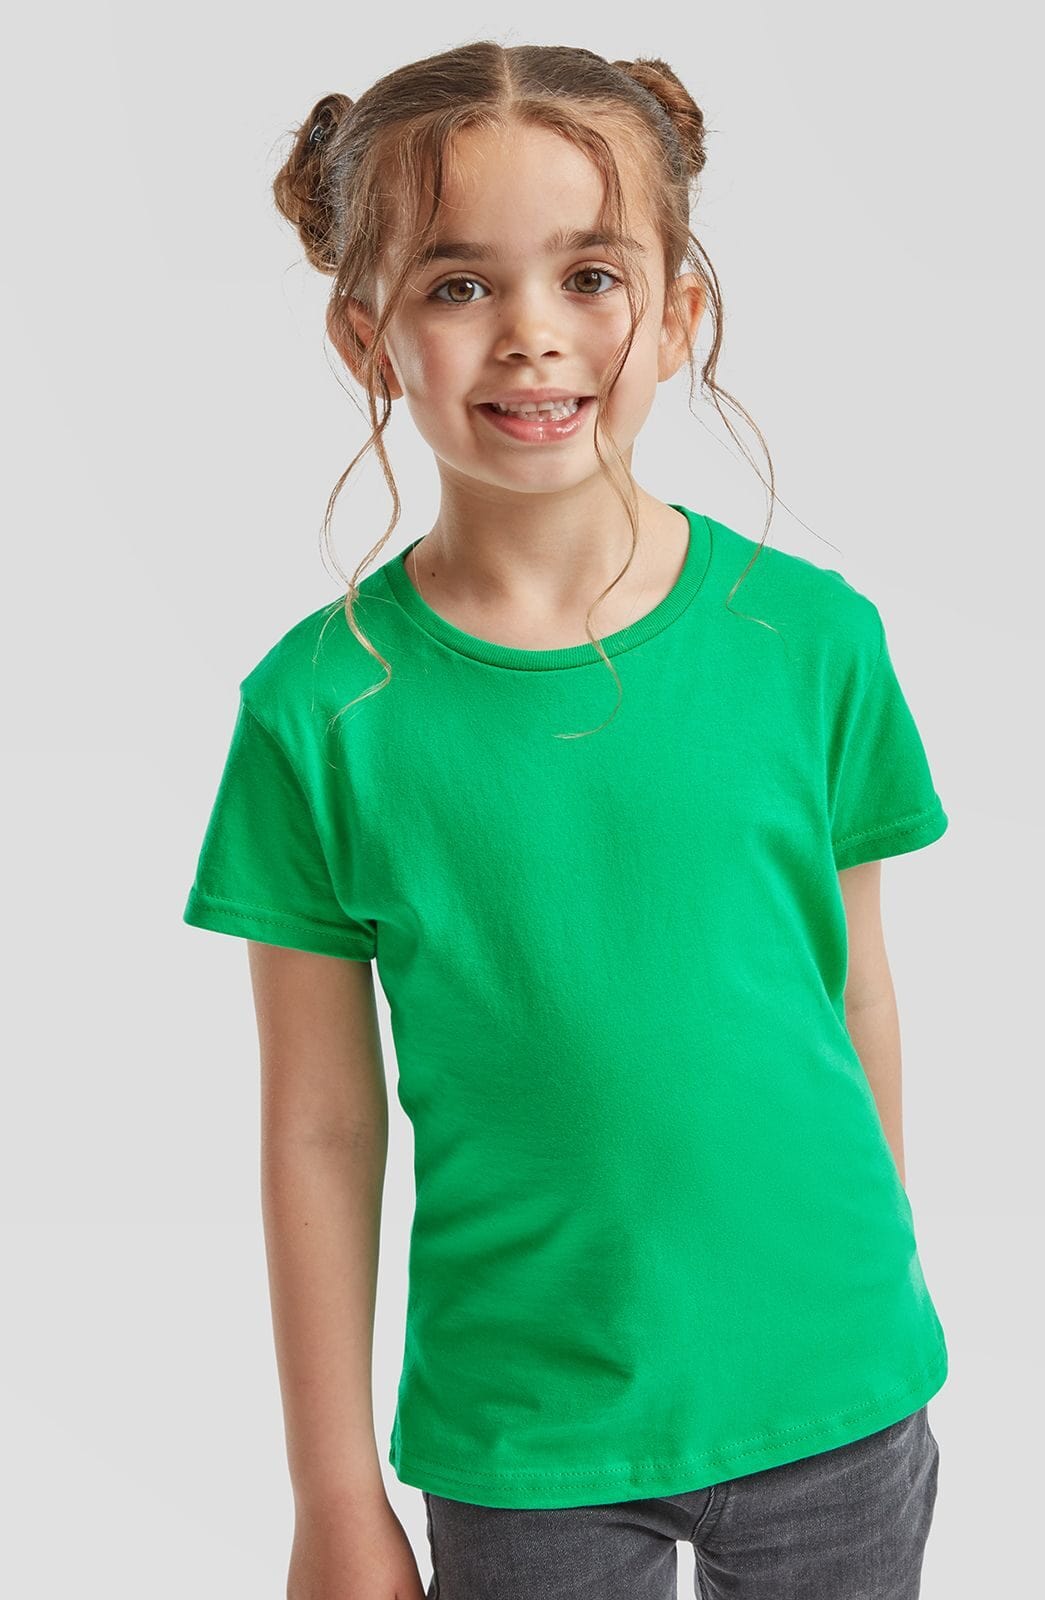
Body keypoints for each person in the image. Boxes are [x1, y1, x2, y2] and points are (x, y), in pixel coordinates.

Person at [182, 40, 950, 1600]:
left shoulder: (812, 641)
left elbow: (853, 988)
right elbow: (319, 1126)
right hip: (523, 1437)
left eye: (590, 276)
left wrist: (864, 1298)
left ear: (677, 313)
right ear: (366, 335)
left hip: (840, 1401)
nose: (532, 332)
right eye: (460, 285)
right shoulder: (318, 710)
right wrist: (333, 1498)